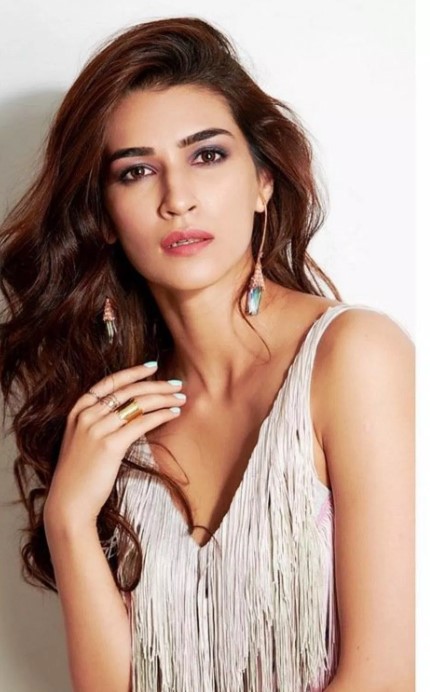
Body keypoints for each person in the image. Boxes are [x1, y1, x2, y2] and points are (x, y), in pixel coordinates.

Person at [0, 16, 414, 692]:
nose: (178, 199)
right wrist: (69, 518)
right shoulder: (112, 425)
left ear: (263, 182)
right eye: (137, 171)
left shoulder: (352, 357)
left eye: (208, 156)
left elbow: (383, 676)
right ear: (105, 218)